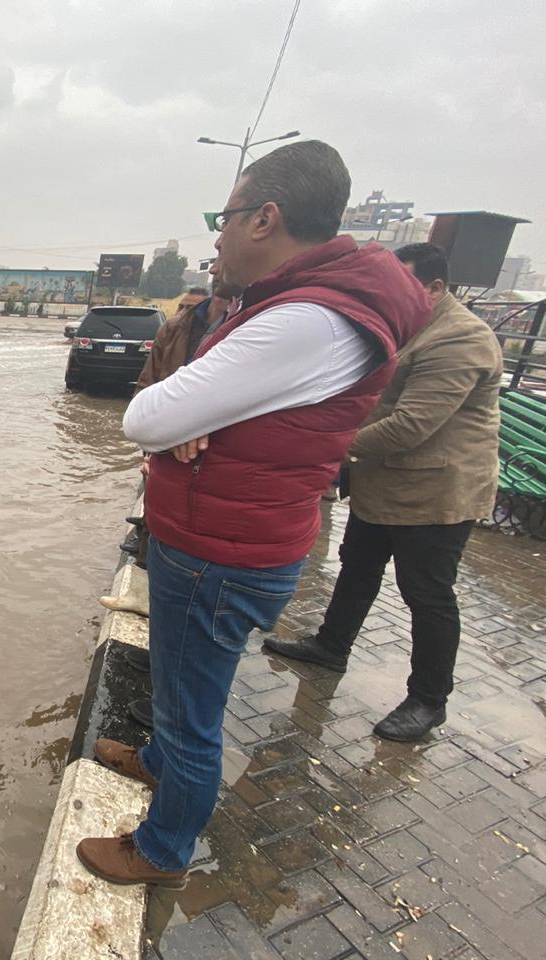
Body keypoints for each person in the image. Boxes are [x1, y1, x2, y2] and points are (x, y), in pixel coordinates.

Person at [76, 140, 430, 890]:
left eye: (226, 216)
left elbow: (144, 417)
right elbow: (208, 409)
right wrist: (195, 413)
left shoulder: (304, 321)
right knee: (182, 690)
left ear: (266, 218)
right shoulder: (305, 310)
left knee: (193, 714)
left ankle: (162, 850)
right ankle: (158, 763)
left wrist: (181, 415)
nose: (218, 234)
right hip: (225, 535)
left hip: (221, 552)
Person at [263, 243, 502, 741]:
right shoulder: (404, 324)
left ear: (435, 288)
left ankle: (428, 699)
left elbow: (412, 424)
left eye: (405, 282)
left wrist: (326, 448)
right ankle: (332, 645)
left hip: (435, 493)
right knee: (357, 564)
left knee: (426, 592)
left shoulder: (460, 338)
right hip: (384, 481)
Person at [102, 279, 239, 730]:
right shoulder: (178, 328)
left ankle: (175, 714)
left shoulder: (249, 325)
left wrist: (191, 428)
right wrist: (153, 441)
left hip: (210, 478)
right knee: (163, 570)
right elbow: (148, 386)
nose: (219, 252)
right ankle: (163, 668)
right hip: (165, 459)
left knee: (196, 600)